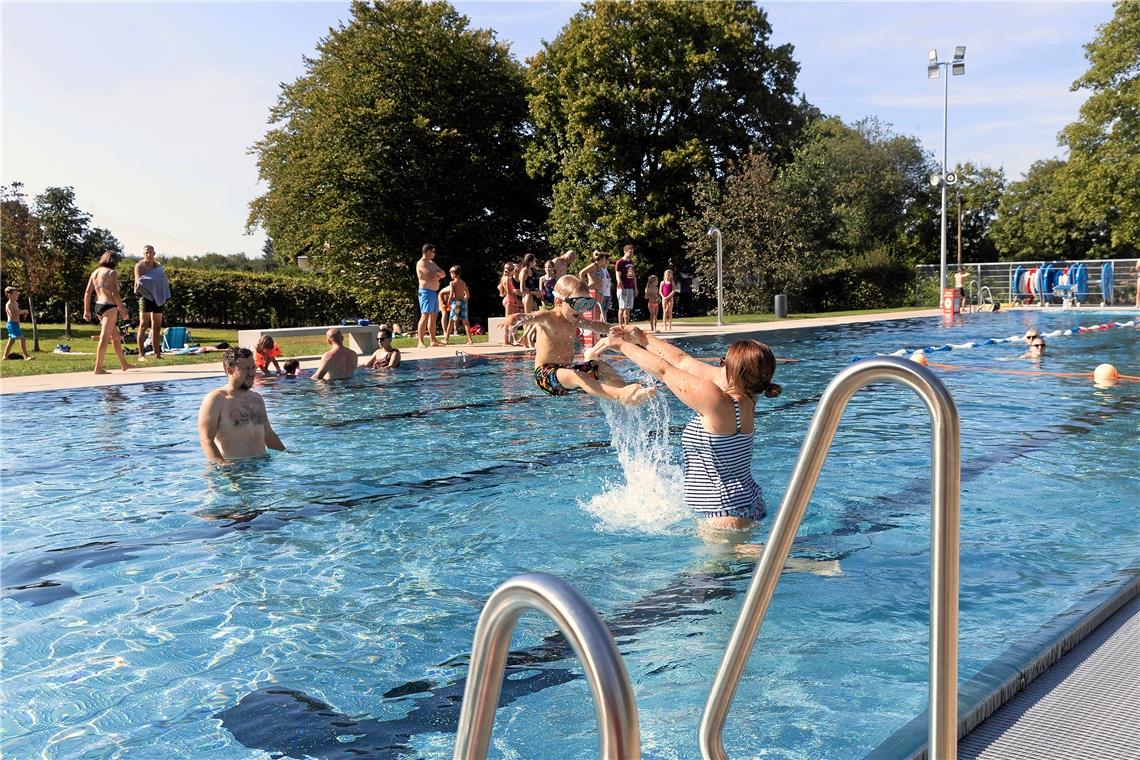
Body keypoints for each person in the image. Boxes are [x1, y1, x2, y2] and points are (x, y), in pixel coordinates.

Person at [607, 327, 780, 532]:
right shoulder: (749, 395)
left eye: (723, 362)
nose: (719, 365)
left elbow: (664, 370)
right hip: (750, 504)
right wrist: (643, 338)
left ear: (733, 371)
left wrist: (619, 345)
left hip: (724, 516)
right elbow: (683, 362)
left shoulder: (717, 400)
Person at [503, 275, 654, 406]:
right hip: (545, 376)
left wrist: (612, 329)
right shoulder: (549, 317)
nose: (582, 309)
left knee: (601, 366)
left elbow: (595, 325)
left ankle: (628, 393)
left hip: (567, 372)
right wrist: (513, 318)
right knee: (577, 376)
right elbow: (530, 316)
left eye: (586, 303)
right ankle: (620, 396)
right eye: (577, 303)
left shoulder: (574, 319)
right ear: (559, 302)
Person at [197, 346, 285, 464]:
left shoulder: (257, 399)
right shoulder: (216, 400)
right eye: (246, 369)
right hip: (234, 470)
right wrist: (222, 465)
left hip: (262, 466)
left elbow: (268, 434)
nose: (252, 373)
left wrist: (287, 454)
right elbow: (206, 440)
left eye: (253, 367)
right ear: (229, 370)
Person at [83, 250, 133, 374]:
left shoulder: (95, 272)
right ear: (114, 261)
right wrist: (123, 310)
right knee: (104, 338)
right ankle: (98, 368)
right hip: (109, 307)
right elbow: (114, 294)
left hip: (98, 306)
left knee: (115, 337)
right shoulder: (112, 273)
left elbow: (88, 292)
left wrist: (86, 310)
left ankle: (124, 364)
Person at [134, 244, 170, 360]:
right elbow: (140, 281)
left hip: (157, 297)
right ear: (143, 254)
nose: (148, 255)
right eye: (146, 253)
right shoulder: (139, 266)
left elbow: (163, 279)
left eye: (150, 253)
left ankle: (157, 353)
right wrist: (154, 282)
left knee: (157, 326)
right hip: (145, 297)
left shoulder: (158, 266)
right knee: (143, 325)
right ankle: (141, 354)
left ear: (154, 253)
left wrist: (156, 283)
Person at [416, 243, 447, 348]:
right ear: (428, 251)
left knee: (434, 316)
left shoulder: (432, 263)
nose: (434, 253)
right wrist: (437, 274)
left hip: (433, 292)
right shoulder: (421, 263)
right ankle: (420, 341)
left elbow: (443, 273)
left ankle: (433, 340)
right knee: (425, 315)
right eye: (433, 251)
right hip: (425, 292)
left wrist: (436, 274)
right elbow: (429, 275)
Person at [444, 266, 474, 344]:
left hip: (456, 303)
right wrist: (464, 299)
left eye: (451, 272)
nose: (450, 274)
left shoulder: (452, 283)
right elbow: (467, 294)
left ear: (453, 274)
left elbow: (451, 294)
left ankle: (446, 339)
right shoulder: (463, 282)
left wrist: (448, 302)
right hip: (463, 302)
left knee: (451, 321)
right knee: (465, 321)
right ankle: (470, 340)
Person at [3, 286, 34, 361]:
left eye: (17, 294)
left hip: (15, 324)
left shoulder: (16, 303)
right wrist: (23, 311)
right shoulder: (9, 304)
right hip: (11, 324)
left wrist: (23, 313)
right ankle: (26, 356)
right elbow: (12, 315)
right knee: (22, 339)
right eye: (15, 294)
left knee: (11, 341)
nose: (17, 296)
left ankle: (5, 357)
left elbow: (17, 312)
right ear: (9, 295)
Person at [499, 262, 523, 346]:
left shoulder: (503, 278)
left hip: (509, 300)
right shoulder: (508, 279)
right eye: (513, 269)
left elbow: (501, 291)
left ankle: (509, 340)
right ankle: (505, 341)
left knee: (511, 321)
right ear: (512, 270)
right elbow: (510, 294)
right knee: (508, 321)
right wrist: (519, 302)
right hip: (509, 301)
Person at [615, 243, 637, 328]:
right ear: (625, 251)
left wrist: (635, 288)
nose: (631, 254)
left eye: (632, 252)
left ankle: (627, 326)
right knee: (622, 307)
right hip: (622, 288)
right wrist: (622, 288)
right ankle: (620, 326)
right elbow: (618, 277)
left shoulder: (631, 262)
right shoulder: (620, 262)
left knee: (628, 308)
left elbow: (633, 276)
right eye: (630, 252)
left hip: (630, 288)